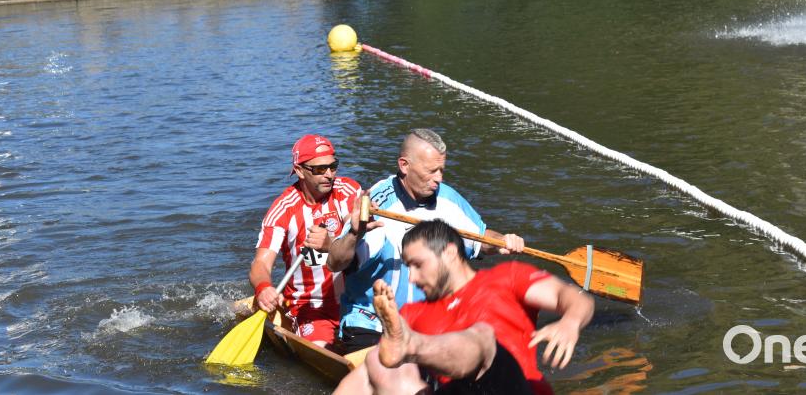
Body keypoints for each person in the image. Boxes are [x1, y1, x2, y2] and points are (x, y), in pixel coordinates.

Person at [334, 220, 594, 395]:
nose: (411, 278)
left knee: (483, 337)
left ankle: (412, 347)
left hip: (511, 387)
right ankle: (409, 349)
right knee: (376, 362)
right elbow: (366, 377)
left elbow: (572, 298)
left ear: (448, 254)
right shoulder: (411, 314)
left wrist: (570, 322)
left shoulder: (506, 277)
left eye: (417, 265)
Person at [327, 128, 525, 353]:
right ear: (404, 166)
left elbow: (481, 238)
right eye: (431, 171)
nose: (439, 178)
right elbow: (335, 263)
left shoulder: (448, 199)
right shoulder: (375, 204)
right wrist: (355, 234)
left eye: (441, 170)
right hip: (372, 323)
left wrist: (503, 242)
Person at [250, 134, 361, 347]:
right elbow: (261, 264)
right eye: (319, 169)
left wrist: (332, 243)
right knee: (322, 348)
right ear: (300, 171)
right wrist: (264, 287)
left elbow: (358, 233)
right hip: (310, 305)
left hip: (354, 299)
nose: (329, 175)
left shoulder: (347, 191)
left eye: (333, 166)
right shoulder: (283, 209)